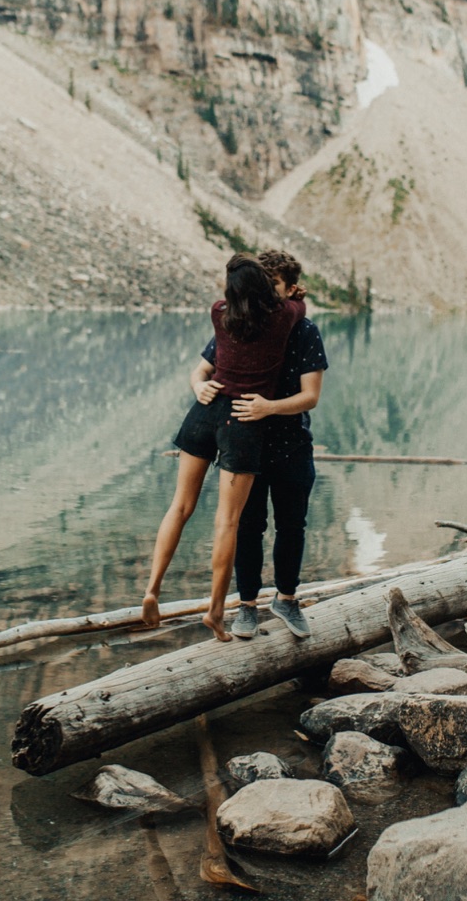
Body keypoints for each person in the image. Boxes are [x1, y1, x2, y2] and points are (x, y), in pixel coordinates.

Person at [141, 254, 306, 641]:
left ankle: (152, 589)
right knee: (227, 521)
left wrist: (200, 384)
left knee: (179, 506)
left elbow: (221, 328)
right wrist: (295, 294)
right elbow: (297, 304)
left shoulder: (220, 314)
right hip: (242, 421)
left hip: (203, 413)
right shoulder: (283, 318)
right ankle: (216, 611)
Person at [194, 249, 328, 640]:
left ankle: (287, 599)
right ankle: (246, 606)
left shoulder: (304, 330)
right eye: (262, 285)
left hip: (292, 444)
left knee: (292, 525)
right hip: (245, 445)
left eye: (274, 285)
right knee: (248, 526)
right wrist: (200, 387)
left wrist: (269, 407)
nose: (267, 293)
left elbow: (311, 396)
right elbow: (202, 369)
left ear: (290, 287)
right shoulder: (242, 322)